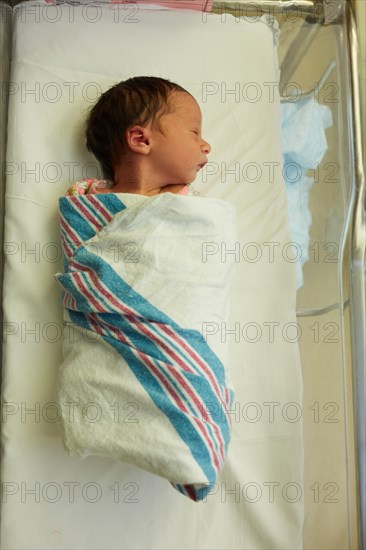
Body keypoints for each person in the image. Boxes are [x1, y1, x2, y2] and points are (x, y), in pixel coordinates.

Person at [66, 76, 211, 197]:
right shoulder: (86, 197)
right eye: (194, 132)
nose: (207, 146)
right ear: (141, 140)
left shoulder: (191, 203)